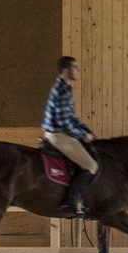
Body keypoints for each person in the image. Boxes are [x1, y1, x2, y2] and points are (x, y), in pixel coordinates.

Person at [42, 56, 99, 216]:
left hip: (61, 132)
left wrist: (87, 130)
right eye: (75, 67)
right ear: (67, 70)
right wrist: (83, 135)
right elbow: (64, 122)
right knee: (91, 166)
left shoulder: (65, 88)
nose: (78, 71)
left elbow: (72, 118)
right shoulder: (61, 91)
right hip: (57, 135)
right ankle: (71, 201)